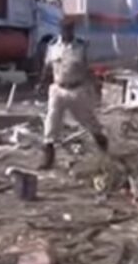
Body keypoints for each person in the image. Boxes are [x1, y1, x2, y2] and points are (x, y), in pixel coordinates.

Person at [39, 18, 108, 169]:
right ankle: (48, 157)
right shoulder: (53, 47)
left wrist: (96, 86)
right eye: (64, 29)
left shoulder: (81, 47)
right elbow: (47, 66)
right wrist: (42, 83)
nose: (66, 32)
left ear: (73, 30)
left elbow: (89, 69)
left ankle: (103, 146)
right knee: (51, 121)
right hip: (58, 89)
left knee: (88, 121)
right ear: (60, 30)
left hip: (77, 89)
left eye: (69, 29)